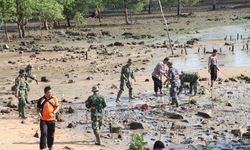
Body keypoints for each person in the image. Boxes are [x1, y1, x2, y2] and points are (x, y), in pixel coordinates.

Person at [37, 86, 59, 150]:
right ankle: (43, 147)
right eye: (49, 92)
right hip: (43, 120)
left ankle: (50, 146)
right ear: (45, 93)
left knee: (51, 134)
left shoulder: (54, 98)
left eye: (51, 92)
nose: (50, 93)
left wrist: (54, 112)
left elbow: (57, 107)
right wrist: (39, 115)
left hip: (52, 119)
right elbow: (38, 109)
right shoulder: (41, 100)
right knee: (44, 133)